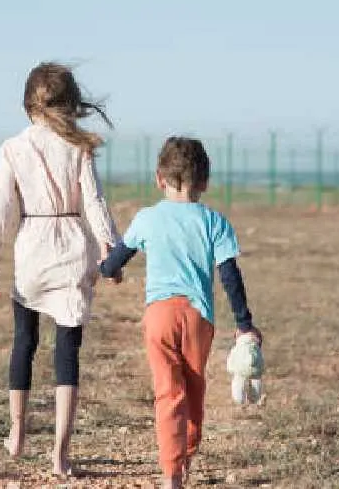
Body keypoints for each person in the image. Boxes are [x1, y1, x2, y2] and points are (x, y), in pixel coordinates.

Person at [0, 62, 119, 477]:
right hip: (74, 245)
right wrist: (110, 250)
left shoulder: (12, 148)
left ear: (28, 104)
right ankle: (60, 452)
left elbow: (0, 209)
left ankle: (17, 431)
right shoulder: (80, 148)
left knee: (24, 341)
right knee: (67, 352)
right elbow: (95, 203)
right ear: (70, 103)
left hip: (32, 248)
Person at [99, 136, 262, 489]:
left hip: (158, 316)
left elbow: (115, 261)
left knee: (167, 393)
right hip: (197, 318)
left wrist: (107, 269)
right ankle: (186, 456)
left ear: (159, 178)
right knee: (193, 387)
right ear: (204, 182)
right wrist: (244, 324)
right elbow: (230, 276)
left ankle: (171, 474)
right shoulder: (214, 222)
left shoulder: (146, 218)